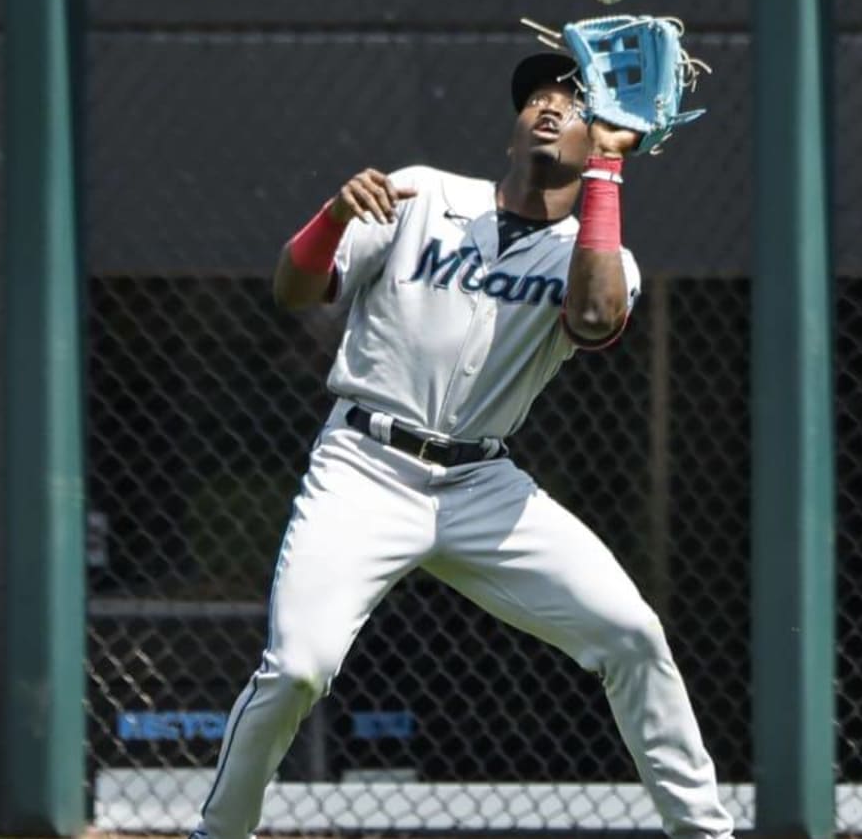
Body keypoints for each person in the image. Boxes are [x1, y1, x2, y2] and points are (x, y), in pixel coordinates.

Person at [189, 52, 734, 839]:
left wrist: (611, 171)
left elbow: (593, 318)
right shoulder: (423, 194)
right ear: (514, 127)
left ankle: (706, 836)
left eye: (574, 104)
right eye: (539, 98)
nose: (550, 107)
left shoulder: (598, 254)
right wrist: (335, 215)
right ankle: (219, 835)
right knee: (299, 668)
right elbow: (293, 290)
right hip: (364, 468)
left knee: (632, 635)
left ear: (604, 140)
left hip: (484, 486)